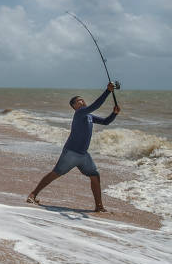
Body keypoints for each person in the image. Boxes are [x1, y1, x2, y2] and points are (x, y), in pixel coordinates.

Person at [27, 82, 120, 212]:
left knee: (95, 175)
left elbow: (105, 122)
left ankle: (99, 207)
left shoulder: (89, 116)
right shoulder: (80, 114)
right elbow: (95, 105)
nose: (82, 101)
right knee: (56, 173)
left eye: (82, 99)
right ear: (74, 107)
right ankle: (33, 194)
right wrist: (108, 91)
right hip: (71, 152)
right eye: (78, 101)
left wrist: (114, 114)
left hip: (83, 155)